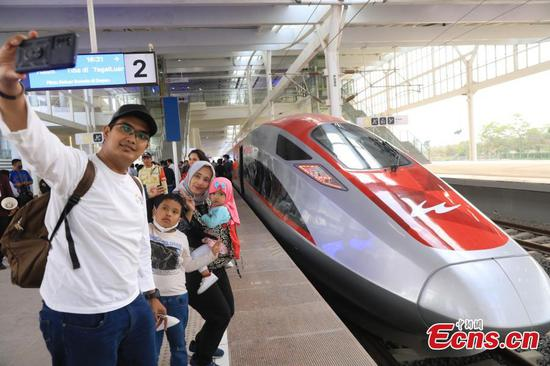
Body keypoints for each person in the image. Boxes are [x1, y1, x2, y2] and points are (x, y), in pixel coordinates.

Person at [0, 31, 166, 366]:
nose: (133, 139)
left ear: (146, 147)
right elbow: (32, 140)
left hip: (132, 305)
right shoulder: (75, 168)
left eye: (142, 136)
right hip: (80, 315)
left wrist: (149, 293)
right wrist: (9, 89)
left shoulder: (135, 186)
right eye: (126, 129)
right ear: (106, 131)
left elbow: (139, 244)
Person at [150, 193, 221, 366]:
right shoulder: (144, 230)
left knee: (178, 345)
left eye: (174, 212)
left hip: (178, 299)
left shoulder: (181, 238)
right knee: (152, 346)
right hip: (151, 299)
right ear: (154, 211)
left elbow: (188, 266)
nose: (168, 214)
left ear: (180, 217)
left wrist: (211, 256)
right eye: (164, 208)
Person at [175, 162, 234, 366]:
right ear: (188, 175)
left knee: (229, 310)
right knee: (219, 315)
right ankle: (201, 360)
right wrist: (190, 213)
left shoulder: (205, 201)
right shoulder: (177, 198)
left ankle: (201, 344)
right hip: (192, 268)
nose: (201, 182)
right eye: (197, 176)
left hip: (212, 261)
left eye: (206, 179)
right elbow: (179, 235)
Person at [192, 177, 240, 295]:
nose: (216, 197)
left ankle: (207, 275)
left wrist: (201, 215)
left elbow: (211, 223)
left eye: (221, 194)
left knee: (194, 255)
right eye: (213, 193)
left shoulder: (222, 210)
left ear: (228, 195)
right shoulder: (220, 206)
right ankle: (226, 260)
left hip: (217, 244)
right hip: (217, 242)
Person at [0, 169, 17, 270]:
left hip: (3, 212)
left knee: (2, 236)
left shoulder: (3, 178)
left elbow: (10, 193)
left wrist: (13, 206)